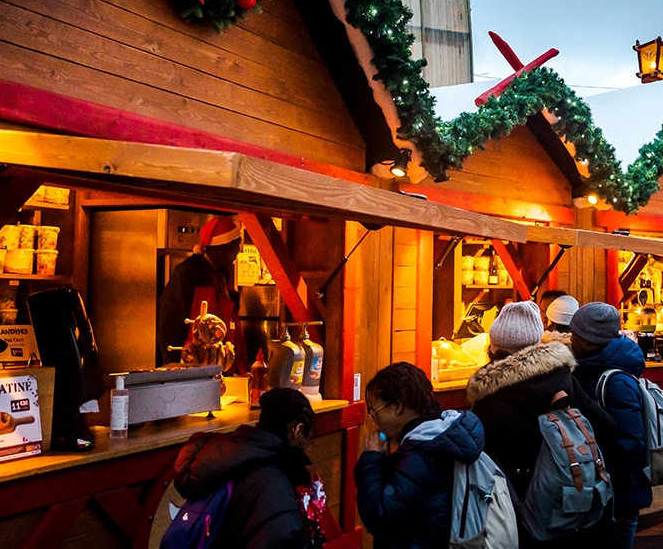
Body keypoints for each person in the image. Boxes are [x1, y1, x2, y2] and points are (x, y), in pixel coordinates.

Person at [465, 301, 616, 547]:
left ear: (493, 347)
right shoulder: (563, 378)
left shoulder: (486, 399)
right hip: (569, 499)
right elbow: (608, 428)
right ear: (536, 341)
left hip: (519, 510)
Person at [172, 388, 324, 549]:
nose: (307, 447)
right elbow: (282, 539)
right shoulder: (272, 477)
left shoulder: (231, 456)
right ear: (297, 430)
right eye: (308, 439)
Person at [355, 362, 485, 549]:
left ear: (397, 407)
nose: (375, 421)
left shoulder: (421, 456)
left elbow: (380, 515)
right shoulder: (444, 434)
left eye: (375, 413)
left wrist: (372, 459)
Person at [569, 302, 650, 549]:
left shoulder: (615, 383)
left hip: (619, 492)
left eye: (575, 334)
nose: (570, 338)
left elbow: (632, 444)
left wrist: (595, 464)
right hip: (604, 490)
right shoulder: (588, 367)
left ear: (590, 340)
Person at [157, 215, 247, 371]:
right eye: (235, 245)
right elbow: (169, 325)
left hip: (218, 365)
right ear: (221, 247)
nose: (238, 252)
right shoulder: (187, 274)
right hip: (191, 366)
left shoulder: (221, 276)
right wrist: (175, 368)